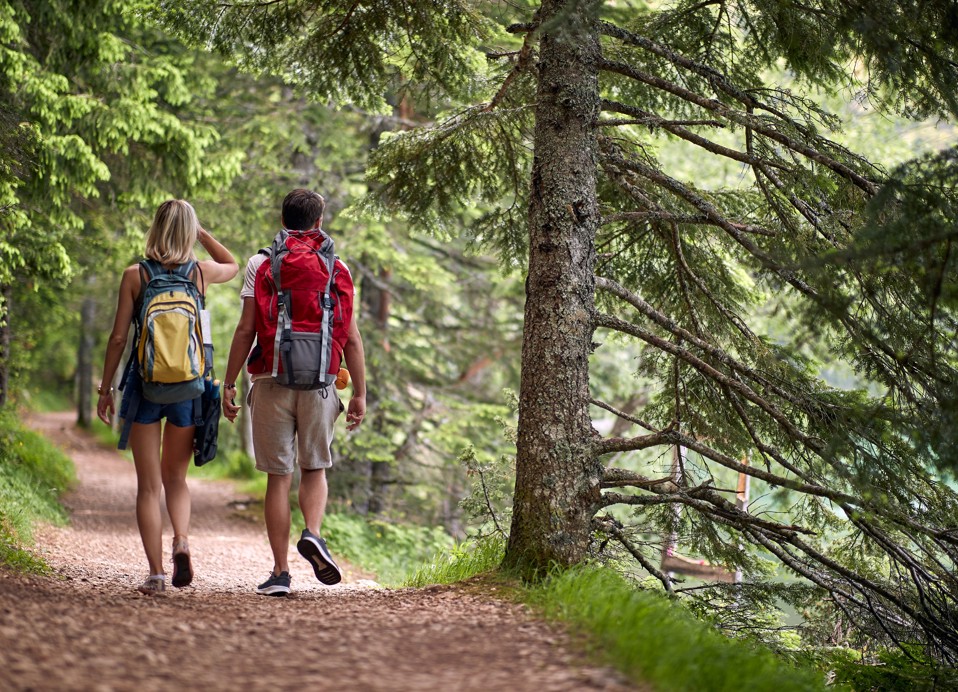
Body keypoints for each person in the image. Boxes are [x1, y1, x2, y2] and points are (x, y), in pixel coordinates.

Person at [222, 188, 366, 596]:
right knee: (314, 468)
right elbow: (351, 337)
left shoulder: (260, 264)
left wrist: (229, 382)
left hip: (269, 380)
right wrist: (359, 393)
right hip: (321, 381)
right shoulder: (337, 266)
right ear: (319, 222)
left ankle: (281, 572)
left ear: (282, 219)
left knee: (277, 477)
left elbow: (246, 328)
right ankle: (314, 534)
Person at [97, 200, 238, 595]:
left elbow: (119, 338)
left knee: (148, 486)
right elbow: (232, 263)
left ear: (155, 229)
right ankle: (181, 540)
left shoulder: (135, 275)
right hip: (188, 388)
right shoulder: (200, 273)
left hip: (145, 387)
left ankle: (156, 575)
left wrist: (106, 389)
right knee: (176, 478)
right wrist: (202, 234)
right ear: (189, 231)